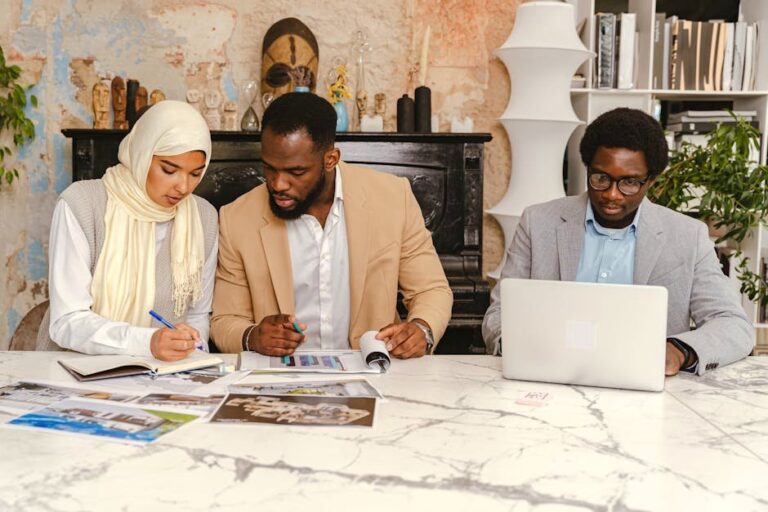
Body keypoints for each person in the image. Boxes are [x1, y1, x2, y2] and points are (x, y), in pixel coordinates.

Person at [482, 107, 754, 375]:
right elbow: (500, 313)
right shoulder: (537, 222)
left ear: (651, 181)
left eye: (630, 182)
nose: (612, 194)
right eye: (601, 178)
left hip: (646, 389)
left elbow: (733, 324)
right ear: (588, 168)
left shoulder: (687, 236)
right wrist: (519, 346)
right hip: (551, 378)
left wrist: (678, 350)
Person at [211, 92, 452, 358]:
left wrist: (422, 329)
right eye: (269, 168)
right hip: (280, 380)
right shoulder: (237, 218)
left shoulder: (393, 198)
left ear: (330, 159)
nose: (278, 184)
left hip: (372, 372)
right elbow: (225, 321)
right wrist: (252, 337)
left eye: (296, 172)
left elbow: (431, 290)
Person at [37, 100, 219, 362]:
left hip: (163, 374)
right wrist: (147, 342)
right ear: (142, 154)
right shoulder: (82, 204)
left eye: (195, 174)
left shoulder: (203, 217)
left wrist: (189, 343)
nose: (183, 187)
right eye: (169, 170)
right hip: (74, 369)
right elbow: (67, 321)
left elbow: (198, 315)